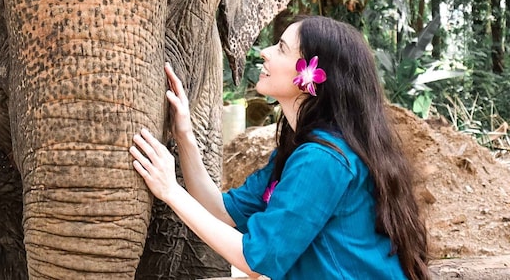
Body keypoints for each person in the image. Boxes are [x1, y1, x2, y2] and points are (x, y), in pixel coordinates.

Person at [130, 16, 430, 279]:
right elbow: (220, 211)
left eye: (282, 48)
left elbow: (255, 260)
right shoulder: (302, 150)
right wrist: (184, 134)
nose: (265, 52)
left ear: (311, 76)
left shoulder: (322, 160)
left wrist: (170, 191)